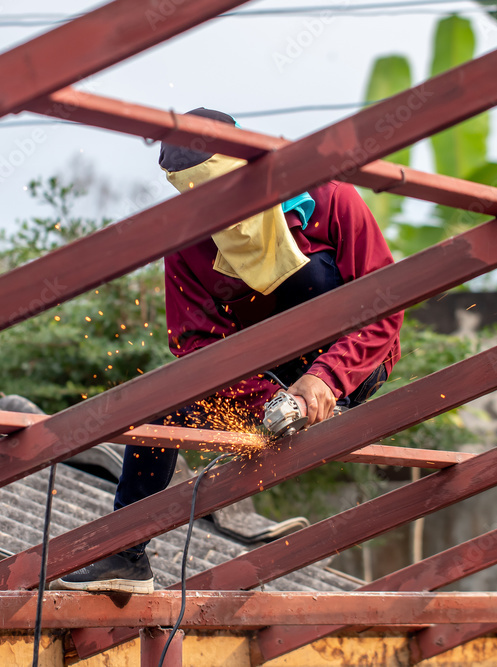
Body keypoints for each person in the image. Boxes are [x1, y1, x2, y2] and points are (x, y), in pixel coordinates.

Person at [53, 108, 402, 594]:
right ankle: (124, 556)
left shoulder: (331, 199)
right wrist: (266, 402)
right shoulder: (187, 244)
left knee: (315, 278)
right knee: (160, 405)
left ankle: (328, 396)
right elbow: (196, 346)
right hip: (259, 383)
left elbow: (385, 307)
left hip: (349, 369)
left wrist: (324, 378)